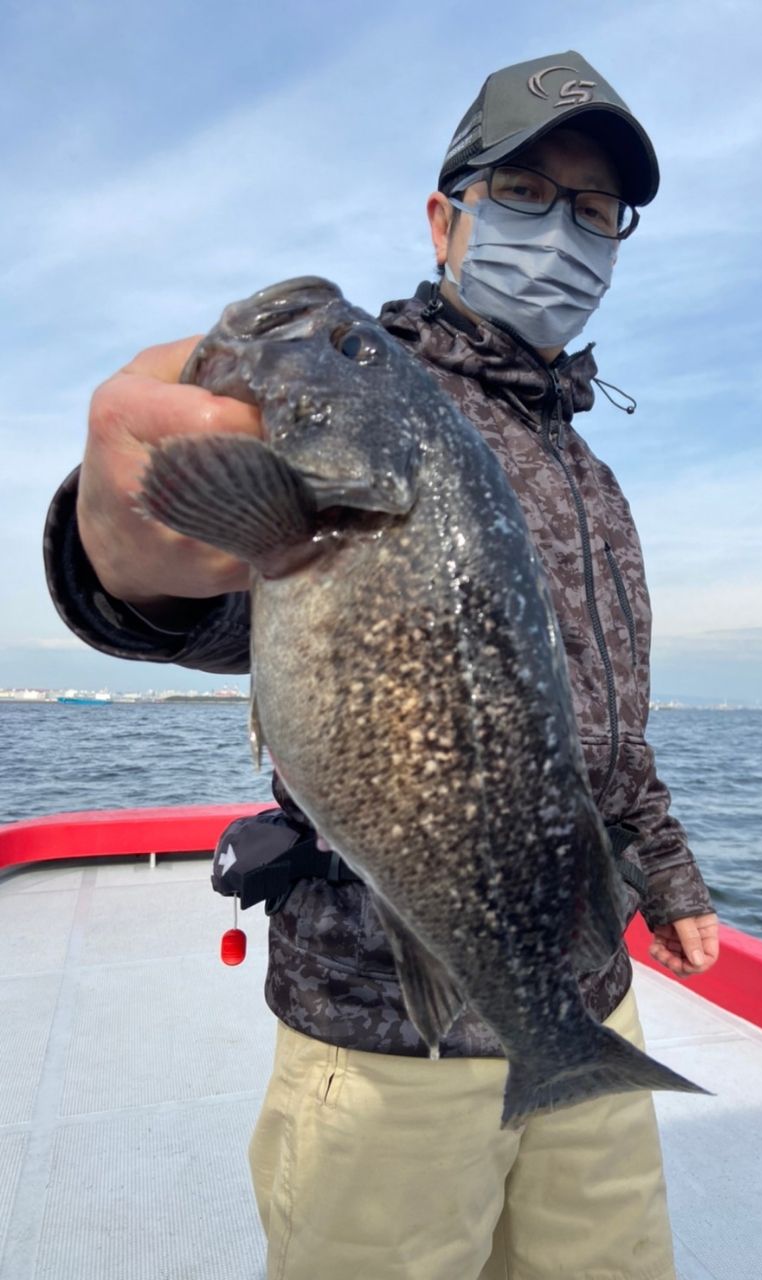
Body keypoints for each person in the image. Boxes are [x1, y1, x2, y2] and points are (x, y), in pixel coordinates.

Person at [44, 49, 719, 1280]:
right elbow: (170, 596)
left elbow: (608, 729)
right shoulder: (367, 412)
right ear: (443, 213)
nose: (561, 232)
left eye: (593, 211)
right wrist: (113, 553)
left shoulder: (593, 477)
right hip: (381, 1025)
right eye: (523, 191)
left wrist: (665, 876)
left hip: (583, 996)